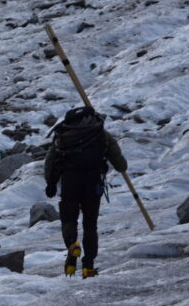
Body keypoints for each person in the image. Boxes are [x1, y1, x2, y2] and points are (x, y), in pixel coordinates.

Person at [44, 106, 127, 278]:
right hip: (92, 182)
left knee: (69, 221)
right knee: (90, 225)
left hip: (69, 182)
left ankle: (72, 245)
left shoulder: (64, 133)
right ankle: (88, 267)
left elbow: (51, 160)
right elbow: (120, 165)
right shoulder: (100, 133)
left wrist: (51, 183)